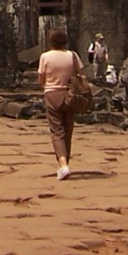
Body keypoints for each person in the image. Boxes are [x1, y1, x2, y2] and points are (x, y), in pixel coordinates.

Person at [39, 28, 82, 179]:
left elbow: (41, 79)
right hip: (70, 94)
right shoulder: (72, 55)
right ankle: (65, 164)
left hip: (52, 94)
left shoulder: (45, 56)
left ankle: (63, 165)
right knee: (68, 130)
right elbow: (80, 75)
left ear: (50, 41)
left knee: (57, 131)